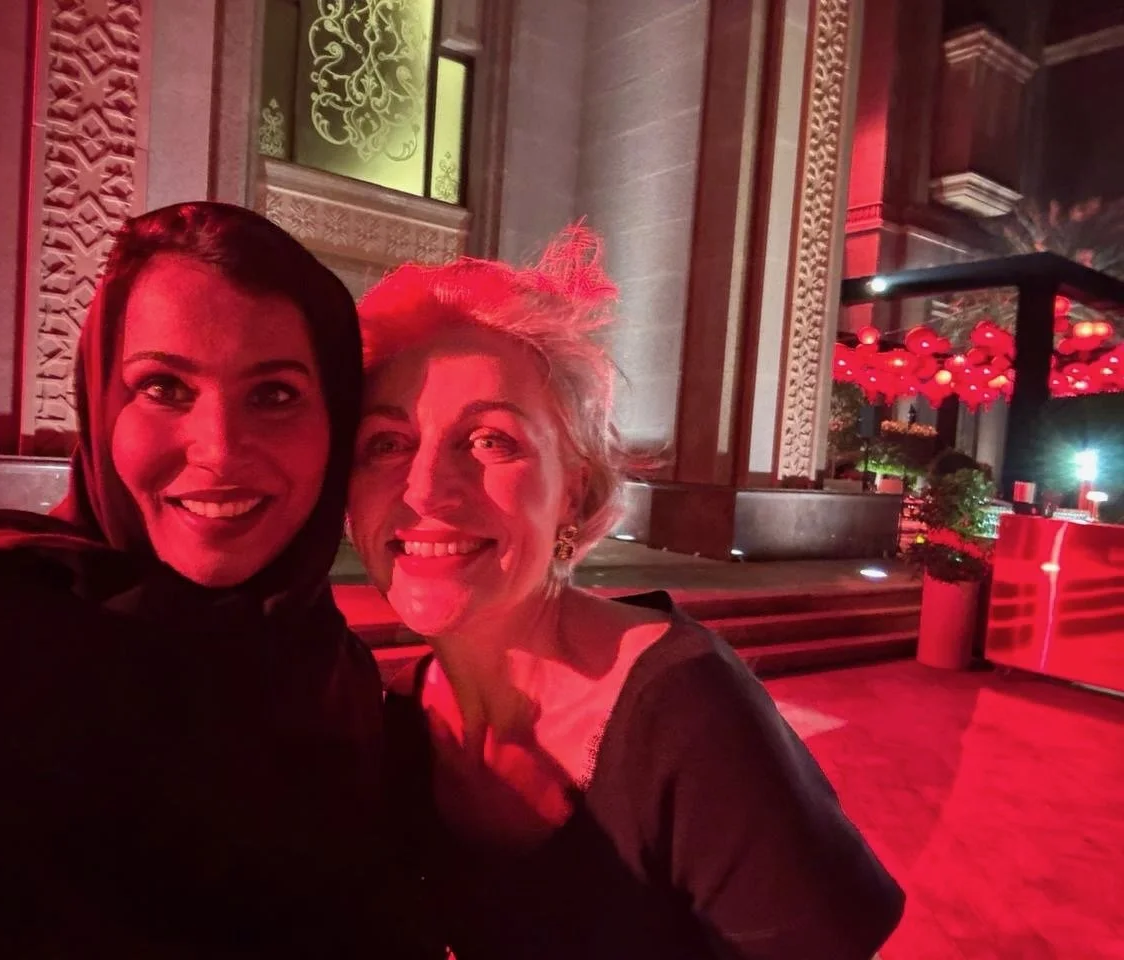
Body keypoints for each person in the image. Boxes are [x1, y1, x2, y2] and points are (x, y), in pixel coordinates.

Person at [0, 202, 420, 957]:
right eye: (164, 387)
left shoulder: (329, 675)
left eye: (274, 393)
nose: (218, 449)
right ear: (101, 402)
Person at [346, 227, 906, 960]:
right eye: (387, 443)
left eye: (490, 441)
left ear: (573, 493)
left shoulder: (685, 710)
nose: (425, 491)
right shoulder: (398, 719)